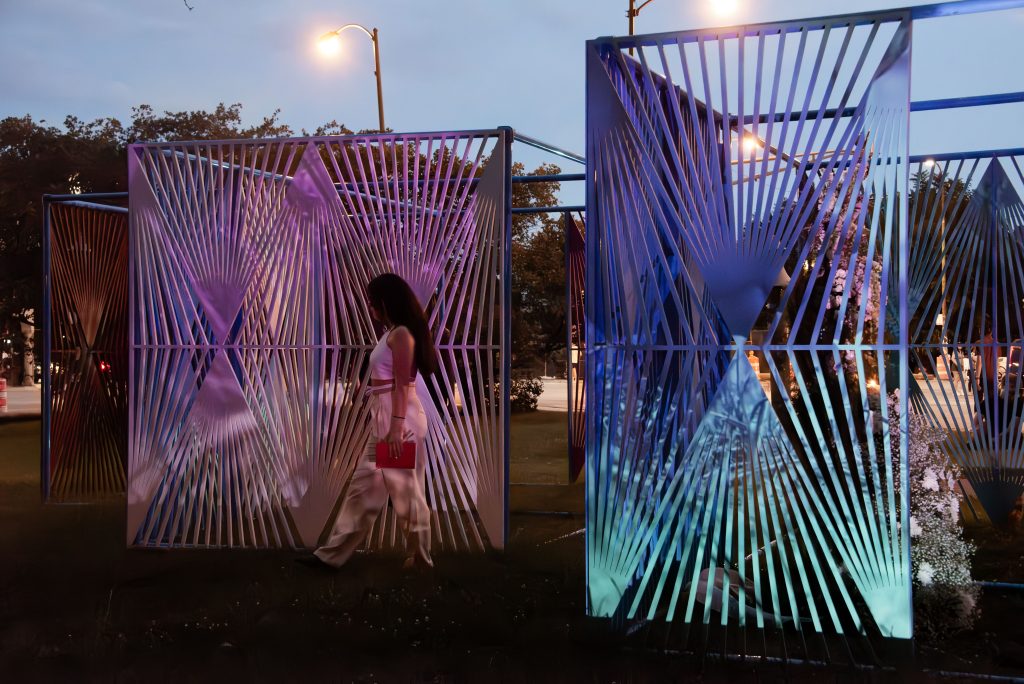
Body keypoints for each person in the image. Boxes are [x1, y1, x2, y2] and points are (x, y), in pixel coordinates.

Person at [301, 273, 437, 571]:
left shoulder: (401, 335)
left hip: (399, 423)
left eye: (373, 302)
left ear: (386, 302)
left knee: (406, 495)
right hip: (385, 421)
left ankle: (422, 561)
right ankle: (329, 557)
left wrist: (397, 428)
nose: (370, 307)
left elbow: (403, 385)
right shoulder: (391, 332)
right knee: (363, 491)